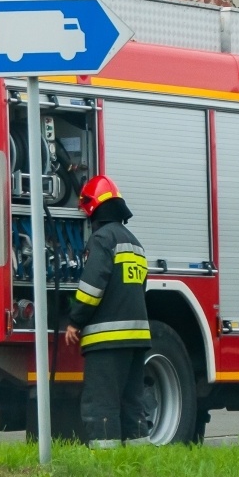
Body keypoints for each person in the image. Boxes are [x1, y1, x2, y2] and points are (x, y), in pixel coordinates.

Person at [64, 176, 152, 448]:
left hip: (107, 341)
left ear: (94, 208)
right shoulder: (134, 242)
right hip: (137, 340)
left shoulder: (102, 240)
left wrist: (74, 320)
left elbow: (92, 287)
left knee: (101, 405)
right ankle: (138, 460)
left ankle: (106, 465)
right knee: (132, 404)